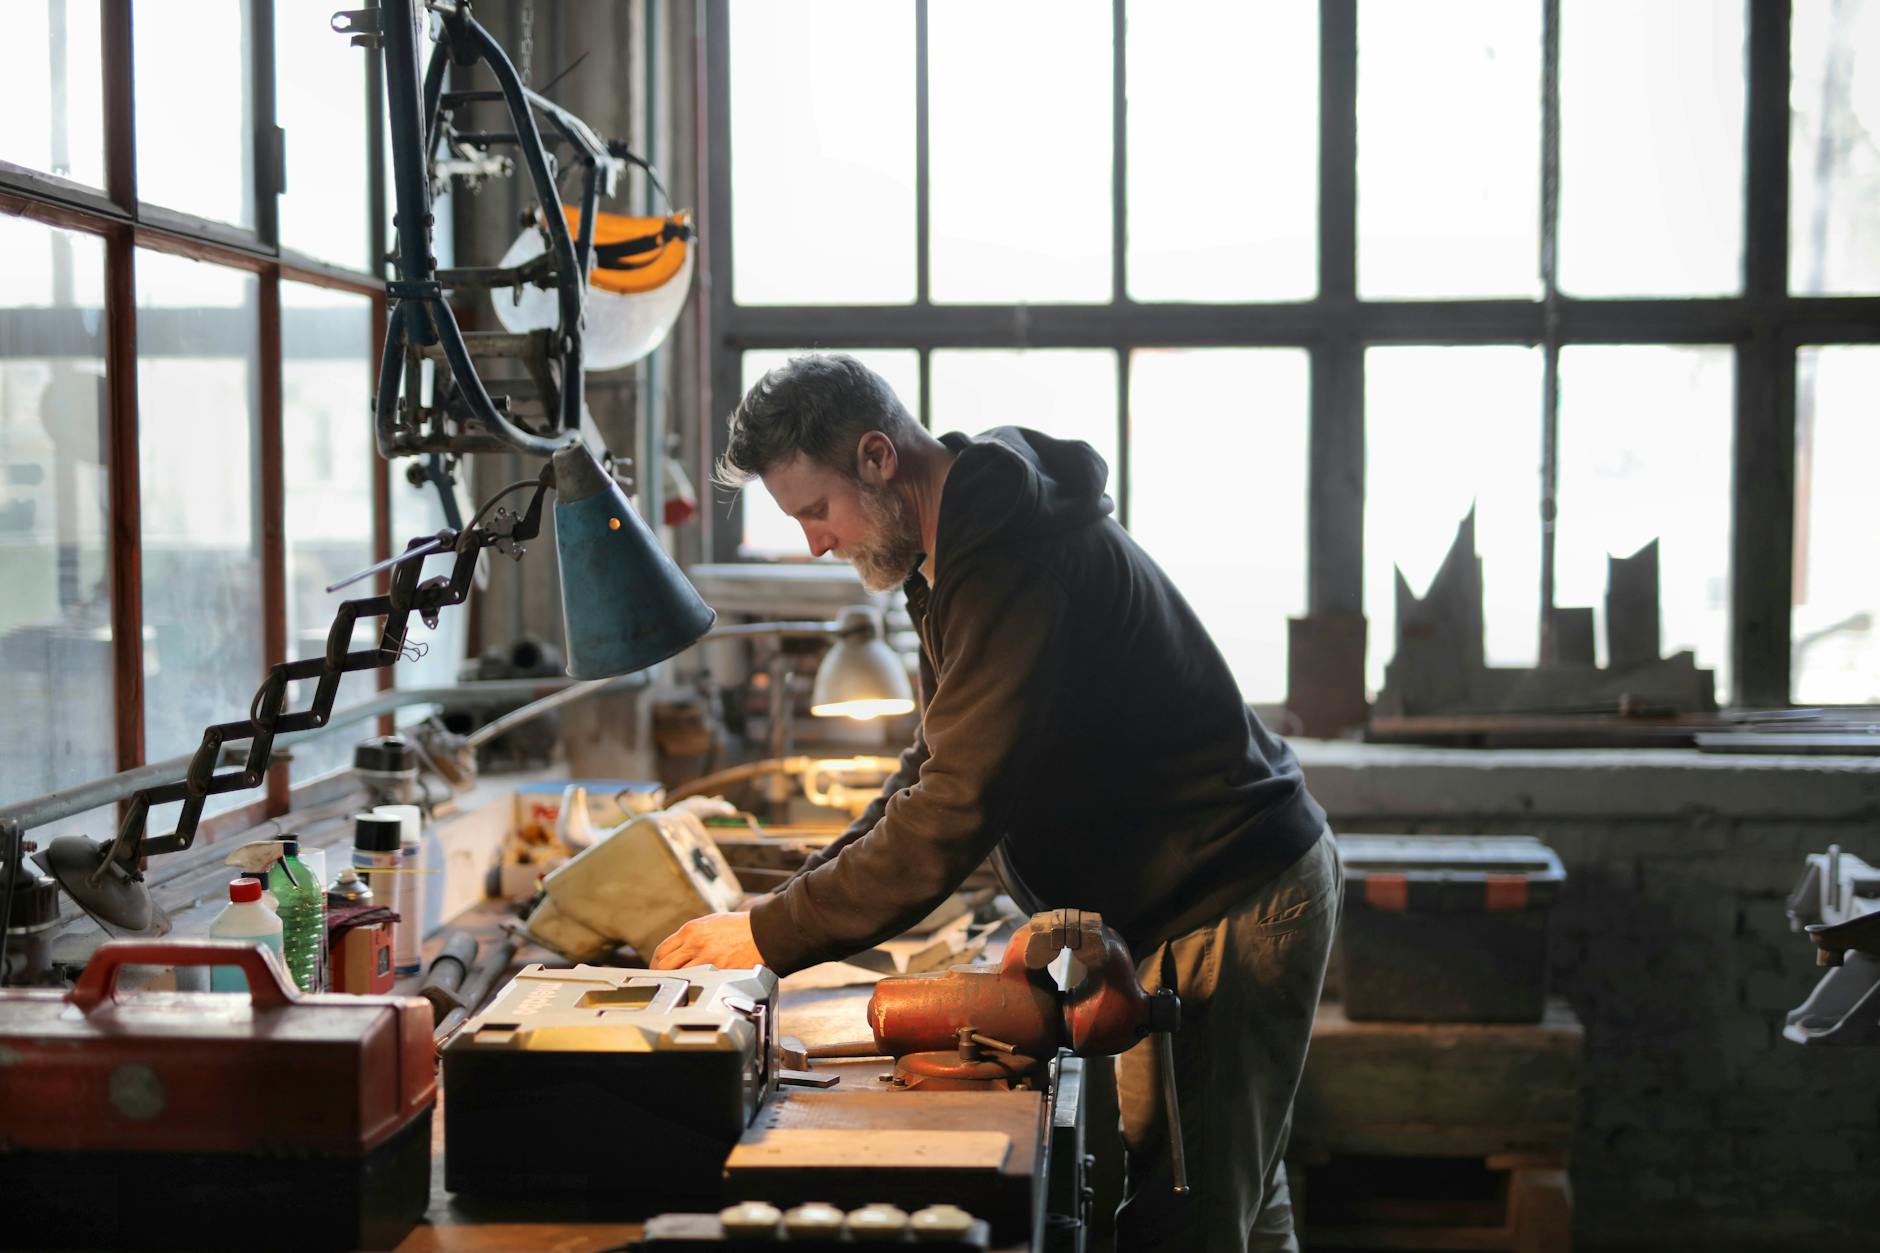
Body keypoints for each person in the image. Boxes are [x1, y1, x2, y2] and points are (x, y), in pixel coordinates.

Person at [652, 352, 1340, 1252]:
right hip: (1196, 896)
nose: (816, 543)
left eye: (816, 511)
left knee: (1190, 1217)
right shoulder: (949, 555)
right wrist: (788, 902)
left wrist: (773, 934)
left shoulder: (1007, 554)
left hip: (1227, 900)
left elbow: (953, 809)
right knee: (1234, 1194)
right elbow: (932, 761)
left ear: (876, 457)